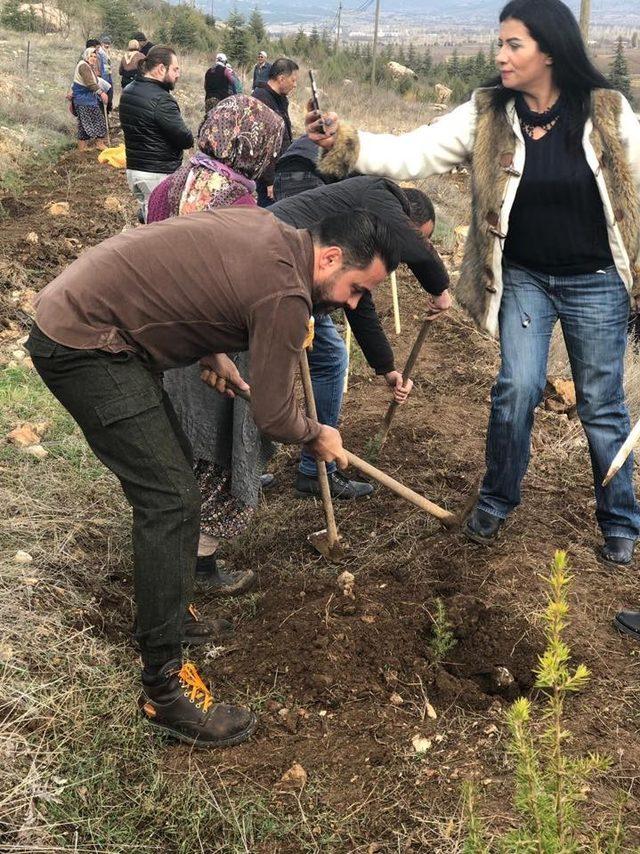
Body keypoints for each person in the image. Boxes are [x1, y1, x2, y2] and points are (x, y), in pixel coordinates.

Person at [25, 208, 398, 747]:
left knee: (178, 490)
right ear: (331, 259)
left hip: (89, 320)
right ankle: (164, 689)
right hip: (86, 343)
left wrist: (213, 352)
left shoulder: (271, 234)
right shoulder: (287, 296)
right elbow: (274, 414)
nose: (353, 303)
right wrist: (317, 433)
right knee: (171, 500)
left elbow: (190, 281)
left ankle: (169, 614)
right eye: (357, 289)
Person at [307, 0, 640, 566]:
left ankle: (620, 519)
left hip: (597, 281)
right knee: (516, 388)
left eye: (514, 45)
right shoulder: (487, 114)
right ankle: (497, 499)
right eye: (500, 43)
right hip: (526, 279)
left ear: (551, 50)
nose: (500, 55)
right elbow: (415, 150)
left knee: (602, 403)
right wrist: (349, 143)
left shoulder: (606, 112)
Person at [146, 95, 284, 590]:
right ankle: (200, 566)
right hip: (219, 352)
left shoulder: (167, 189)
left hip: (165, 341)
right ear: (262, 149)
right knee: (224, 451)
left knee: (183, 448)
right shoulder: (243, 208)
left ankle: (174, 549)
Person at [271, 177, 452, 498]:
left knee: (327, 357)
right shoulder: (380, 195)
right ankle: (302, 470)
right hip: (275, 266)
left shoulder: (365, 226)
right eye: (418, 239)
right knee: (256, 369)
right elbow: (418, 254)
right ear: (407, 221)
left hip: (296, 276)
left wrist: (386, 368)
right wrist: (439, 288)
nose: (405, 259)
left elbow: (358, 301)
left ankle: (307, 471)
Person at [119, 45, 194, 222]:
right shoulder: (161, 100)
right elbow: (185, 139)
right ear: (161, 68)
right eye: (175, 69)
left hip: (135, 170)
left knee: (149, 218)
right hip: (157, 173)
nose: (178, 75)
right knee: (161, 228)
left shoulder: (128, 90)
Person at [252, 57, 298, 207]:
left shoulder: (279, 99)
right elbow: (262, 144)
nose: (295, 85)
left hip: (281, 169)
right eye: (293, 80)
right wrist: (269, 180)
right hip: (269, 177)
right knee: (267, 216)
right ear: (281, 78)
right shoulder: (262, 100)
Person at [273, 134, 336, 201]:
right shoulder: (340, 142)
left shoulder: (308, 137)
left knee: (287, 209)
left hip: (282, 173)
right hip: (308, 172)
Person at [69, 46, 109, 152]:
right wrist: (102, 93)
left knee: (83, 124)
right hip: (84, 100)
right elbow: (90, 83)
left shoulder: (86, 66)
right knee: (98, 121)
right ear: (86, 55)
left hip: (84, 99)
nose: (93, 58)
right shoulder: (84, 66)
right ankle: (99, 144)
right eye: (91, 55)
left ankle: (81, 149)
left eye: (95, 56)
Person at [97, 34, 113, 113]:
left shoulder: (106, 53)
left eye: (108, 44)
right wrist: (106, 83)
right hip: (103, 80)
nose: (107, 45)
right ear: (101, 44)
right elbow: (104, 71)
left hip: (107, 79)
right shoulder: (101, 54)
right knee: (104, 102)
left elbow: (108, 70)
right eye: (105, 44)